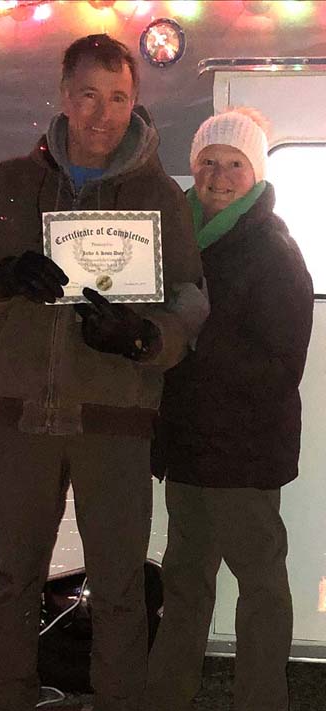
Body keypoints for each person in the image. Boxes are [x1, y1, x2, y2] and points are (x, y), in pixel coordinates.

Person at [0, 34, 208, 711]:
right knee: (14, 581)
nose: (102, 113)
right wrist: (0, 278)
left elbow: (192, 301)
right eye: (88, 94)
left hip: (115, 418)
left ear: (134, 102)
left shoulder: (159, 196)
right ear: (63, 95)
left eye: (119, 98)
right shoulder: (6, 183)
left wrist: (144, 335)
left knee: (118, 588)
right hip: (22, 414)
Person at [144, 108, 314, 711]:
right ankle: (165, 696)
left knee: (260, 586)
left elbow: (280, 363)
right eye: (208, 163)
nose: (218, 175)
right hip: (187, 449)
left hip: (244, 455)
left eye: (233, 164)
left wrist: (191, 339)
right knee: (184, 582)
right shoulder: (176, 237)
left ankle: (262, 700)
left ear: (256, 172)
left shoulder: (273, 248)